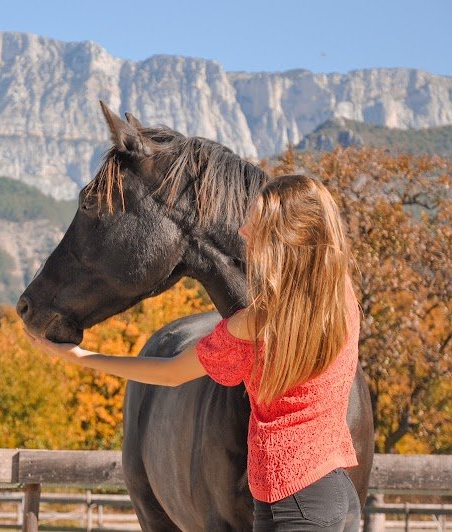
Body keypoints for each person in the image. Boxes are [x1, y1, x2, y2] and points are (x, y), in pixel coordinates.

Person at [25, 174, 363, 531]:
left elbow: (170, 374)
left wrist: (80, 357)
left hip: (291, 504)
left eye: (257, 222)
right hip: (331, 490)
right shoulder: (343, 304)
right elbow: (323, 246)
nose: (244, 231)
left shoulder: (256, 324)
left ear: (286, 238)